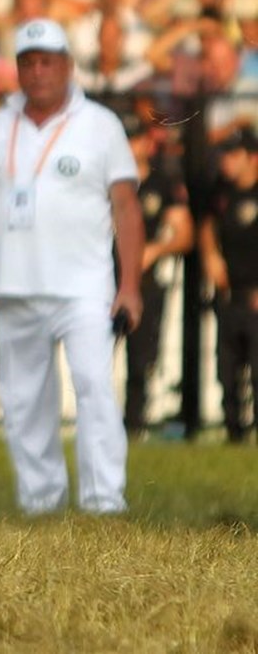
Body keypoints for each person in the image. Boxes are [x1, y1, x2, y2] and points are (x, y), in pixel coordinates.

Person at [0, 18, 145, 515]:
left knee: (95, 388)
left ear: (67, 66)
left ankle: (105, 502)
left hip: (85, 286)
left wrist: (130, 286)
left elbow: (126, 206)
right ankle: (41, 503)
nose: (37, 72)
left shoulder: (100, 124)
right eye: (27, 63)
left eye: (47, 62)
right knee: (23, 402)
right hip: (16, 283)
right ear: (17, 69)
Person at [123, 117, 193, 439]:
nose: (130, 146)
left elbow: (184, 235)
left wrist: (154, 250)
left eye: (134, 139)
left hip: (145, 283)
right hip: (104, 281)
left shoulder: (161, 184)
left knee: (141, 361)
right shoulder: (103, 184)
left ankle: (135, 427)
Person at [198, 129, 258, 444]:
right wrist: (210, 254)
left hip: (254, 297)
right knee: (227, 371)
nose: (226, 162)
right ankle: (234, 435)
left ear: (253, 159)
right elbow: (207, 224)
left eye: (234, 155)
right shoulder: (220, 193)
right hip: (228, 296)